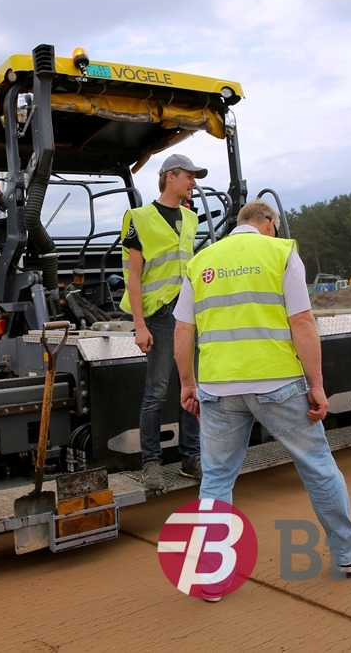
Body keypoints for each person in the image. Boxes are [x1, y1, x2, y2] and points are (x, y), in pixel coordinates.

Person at [173, 199, 351, 601]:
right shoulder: (281, 252)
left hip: (218, 386)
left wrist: (187, 384)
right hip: (277, 383)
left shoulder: (200, 261)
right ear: (268, 223)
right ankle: (349, 554)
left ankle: (211, 577)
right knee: (317, 467)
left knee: (217, 479)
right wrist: (317, 385)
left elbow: (183, 329)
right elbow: (301, 321)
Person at [120, 153, 204, 491]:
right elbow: (133, 277)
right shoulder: (139, 218)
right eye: (189, 176)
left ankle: (191, 458)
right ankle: (151, 463)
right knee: (156, 392)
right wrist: (139, 325)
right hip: (160, 315)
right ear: (171, 176)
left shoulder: (191, 218)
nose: (194, 183)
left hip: (189, 315)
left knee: (192, 388)